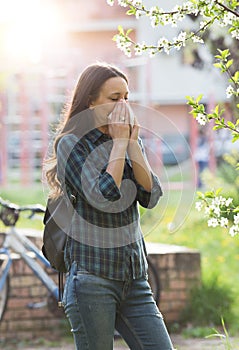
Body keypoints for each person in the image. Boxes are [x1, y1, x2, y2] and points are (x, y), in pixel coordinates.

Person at [44, 62, 174, 350]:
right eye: (114, 99)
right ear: (90, 101)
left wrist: (132, 144)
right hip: (92, 279)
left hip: (135, 278)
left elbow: (151, 197)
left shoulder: (126, 140)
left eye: (126, 98)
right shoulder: (72, 144)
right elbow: (103, 196)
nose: (123, 106)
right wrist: (118, 145)